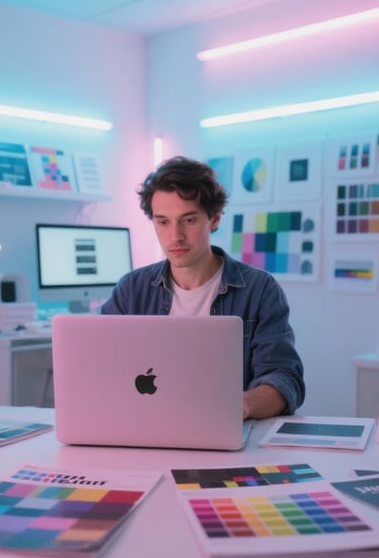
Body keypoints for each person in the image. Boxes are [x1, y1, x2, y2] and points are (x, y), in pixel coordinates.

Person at [101, 155, 305, 419]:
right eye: (163, 222)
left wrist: (240, 405)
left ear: (215, 218)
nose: (175, 236)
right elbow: (102, 366)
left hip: (224, 430)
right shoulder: (131, 289)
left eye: (188, 220)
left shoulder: (259, 290)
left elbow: (284, 378)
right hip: (144, 424)